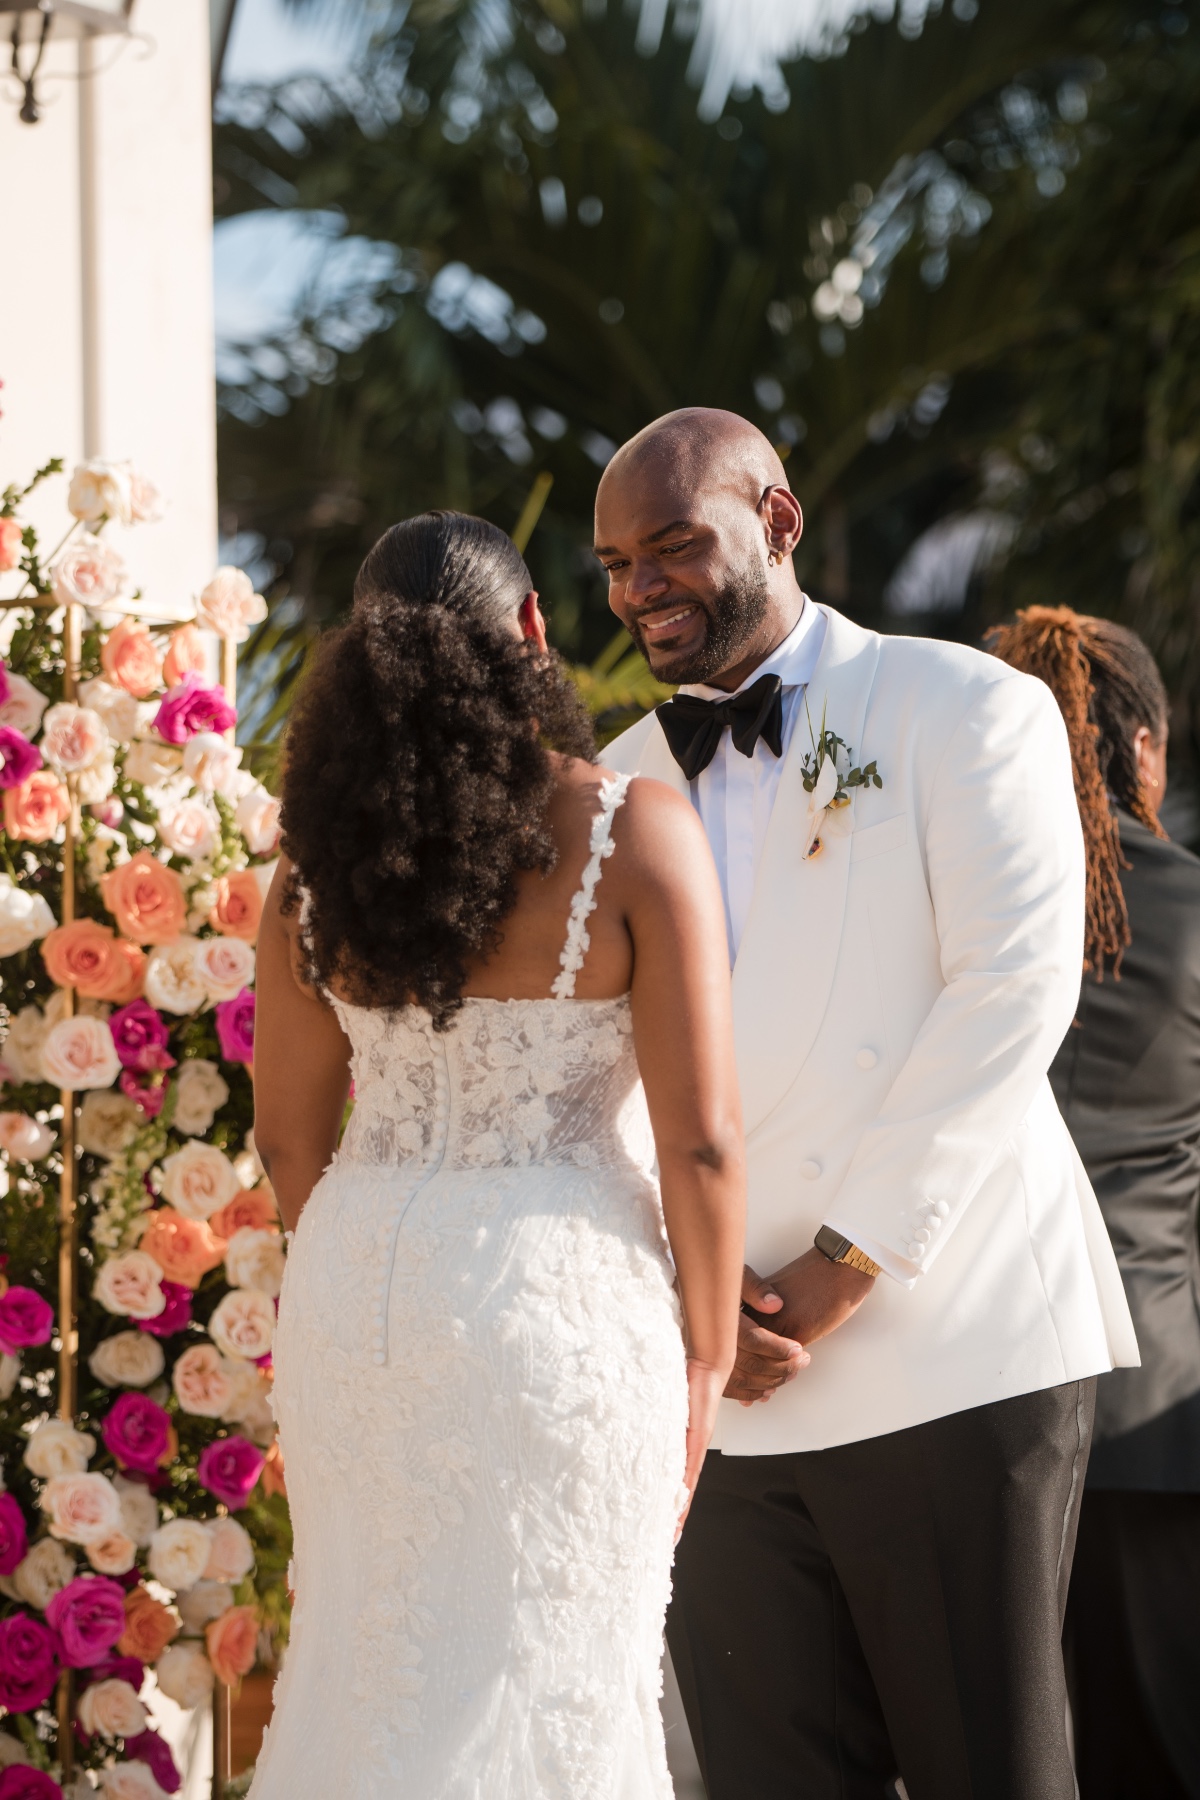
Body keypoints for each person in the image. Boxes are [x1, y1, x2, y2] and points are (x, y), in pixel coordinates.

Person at [598, 409, 1138, 1800]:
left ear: (776, 523)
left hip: (951, 1342)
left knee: (990, 1772)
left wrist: (839, 1269)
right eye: (613, 565)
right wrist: (703, 1309)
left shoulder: (961, 705)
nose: (640, 587)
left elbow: (1010, 993)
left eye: (673, 545)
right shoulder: (622, 784)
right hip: (733, 1382)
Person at [248, 511, 746, 1799]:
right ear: (532, 632)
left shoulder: (311, 869)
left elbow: (289, 1134)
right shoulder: (634, 831)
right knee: (546, 1672)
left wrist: (372, 1262)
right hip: (556, 1307)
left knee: (369, 1667)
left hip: (357, 1290)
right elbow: (698, 1144)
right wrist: (707, 1353)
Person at [990, 606, 1200, 1800]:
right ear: (1146, 750)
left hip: (979, 1396)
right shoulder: (1193, 912)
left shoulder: (955, 906)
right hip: (1155, 1413)